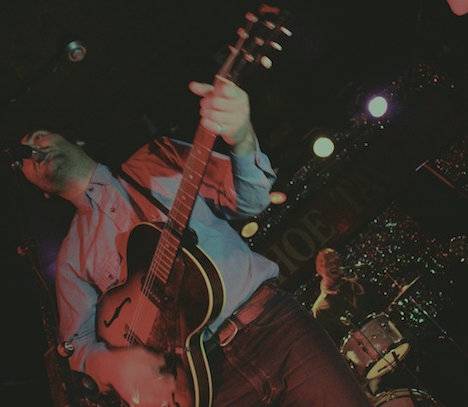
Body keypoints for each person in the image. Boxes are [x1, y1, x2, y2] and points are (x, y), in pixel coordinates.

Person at [19, 77, 372, 407]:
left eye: (38, 136)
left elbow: (250, 200)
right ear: (36, 188)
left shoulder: (155, 157)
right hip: (203, 387)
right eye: (23, 157)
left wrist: (242, 138)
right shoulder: (71, 259)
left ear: (72, 139)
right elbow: (77, 345)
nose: (33, 150)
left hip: (275, 329)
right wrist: (113, 367)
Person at [311, 248, 376, 348]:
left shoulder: (359, 284)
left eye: (336, 262)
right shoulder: (320, 308)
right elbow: (332, 344)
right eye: (329, 263)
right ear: (319, 270)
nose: (334, 266)